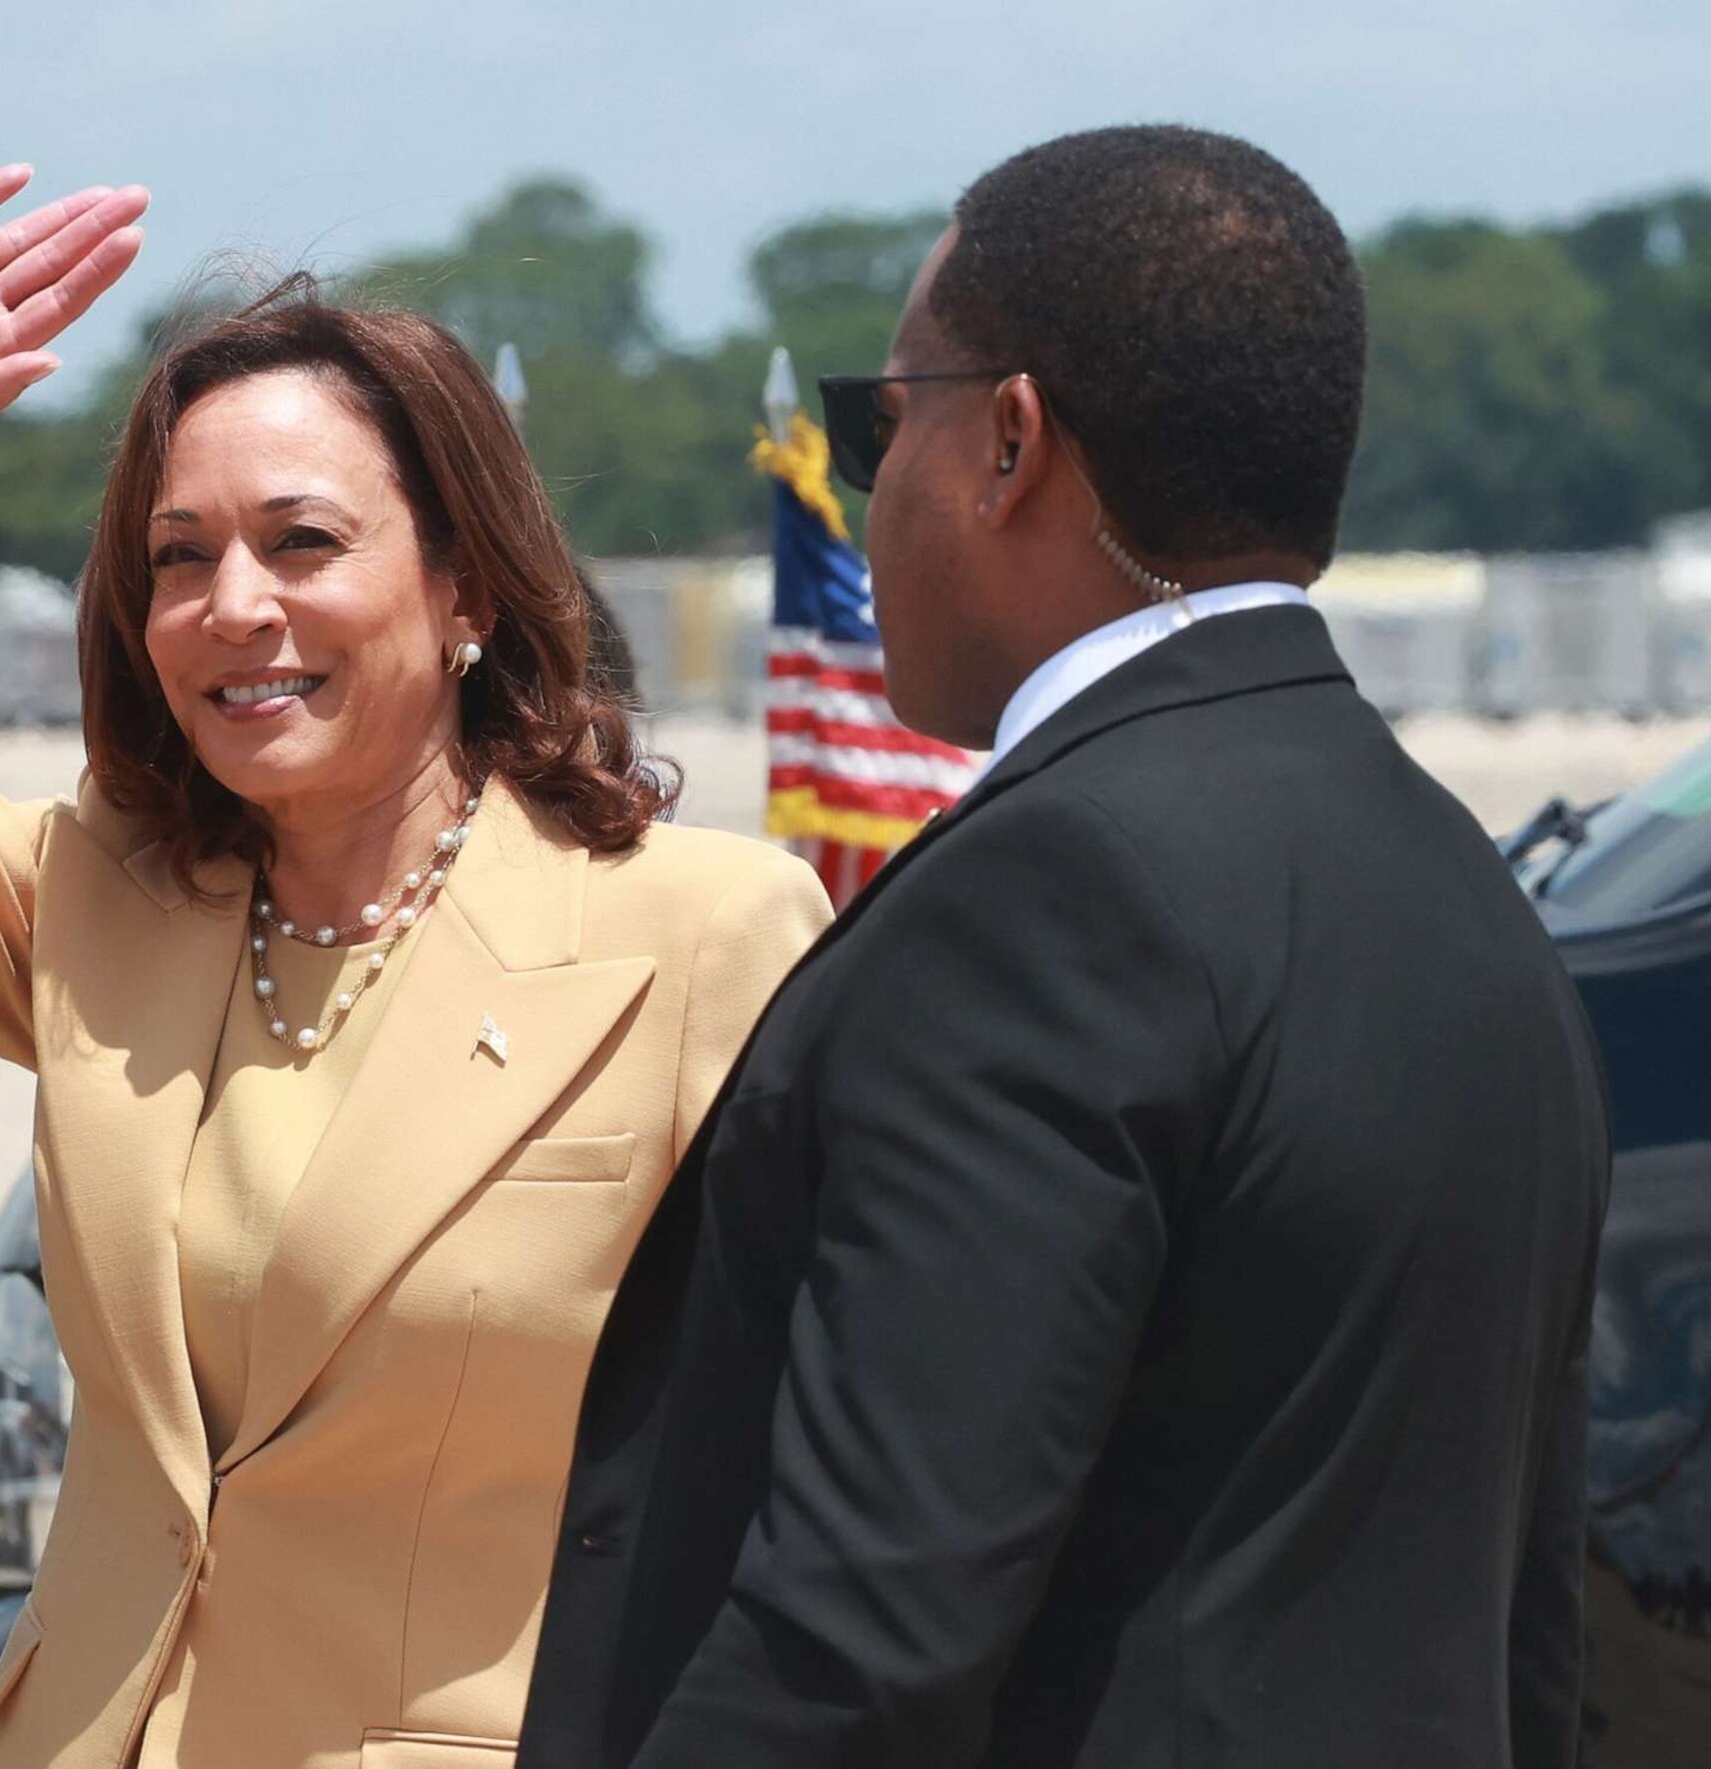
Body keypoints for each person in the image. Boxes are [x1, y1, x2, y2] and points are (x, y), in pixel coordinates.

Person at [0, 168, 828, 1768]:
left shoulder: (704, 935)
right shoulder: (101, 903)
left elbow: (819, 1472)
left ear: (462, 583)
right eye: (180, 557)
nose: (233, 606)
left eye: (302, 540)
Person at [519, 125, 1609, 1769]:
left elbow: (866, 1629)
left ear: (1010, 439)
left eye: (879, 421)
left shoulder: (1046, 907)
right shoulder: (1469, 895)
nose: (865, 481)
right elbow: (1521, 1628)